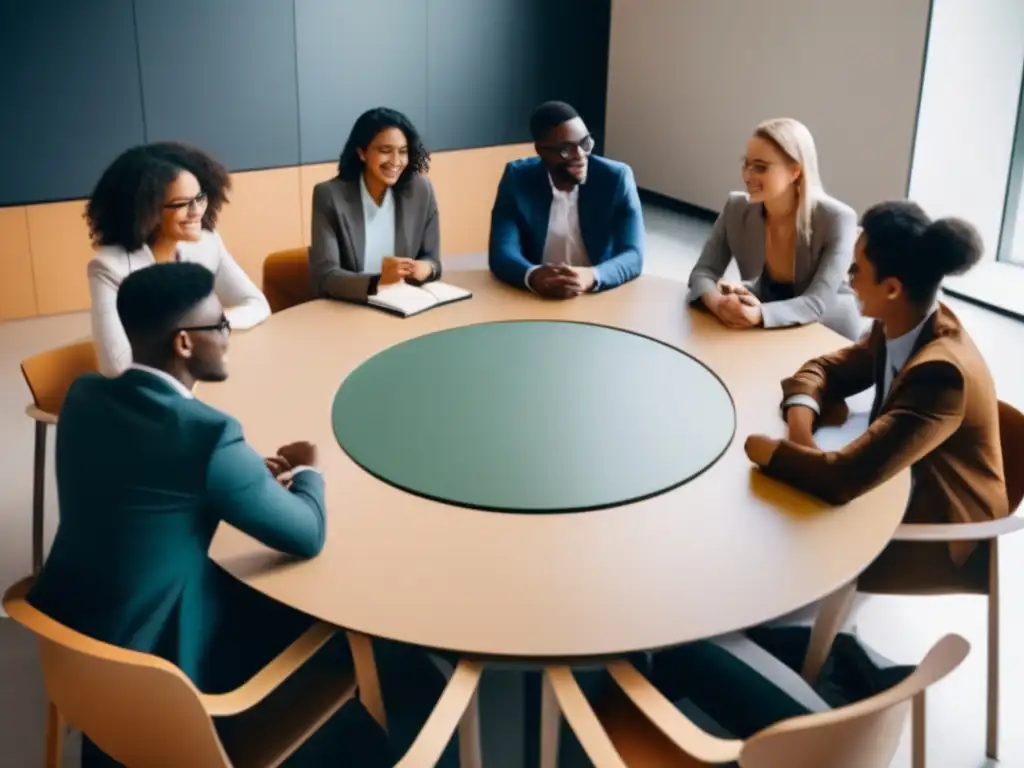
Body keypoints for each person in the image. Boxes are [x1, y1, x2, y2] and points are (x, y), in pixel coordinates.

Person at [29, 263, 452, 766]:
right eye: (220, 324)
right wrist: (308, 471)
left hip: (69, 647)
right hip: (158, 679)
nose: (228, 334)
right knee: (349, 623)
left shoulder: (83, 396)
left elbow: (145, 474)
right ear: (184, 343)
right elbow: (308, 534)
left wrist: (239, 474)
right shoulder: (208, 436)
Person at [744, 201, 1007, 588]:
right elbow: (823, 370)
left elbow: (841, 480)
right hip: (896, 471)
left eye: (856, 270)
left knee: (765, 525)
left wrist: (767, 450)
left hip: (943, 527)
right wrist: (800, 434)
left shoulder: (942, 375)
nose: (847, 279)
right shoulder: (905, 318)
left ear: (892, 288)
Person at [86, 142, 270, 378]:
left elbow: (256, 304)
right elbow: (116, 366)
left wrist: (207, 329)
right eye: (182, 204)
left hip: (195, 375)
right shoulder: (110, 268)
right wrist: (195, 336)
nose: (197, 211)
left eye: (200, 198)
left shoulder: (206, 243)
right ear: (145, 211)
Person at [686, 118, 863, 340]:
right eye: (746, 164)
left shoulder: (838, 218)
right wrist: (718, 304)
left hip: (825, 330)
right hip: (765, 314)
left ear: (795, 171)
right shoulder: (736, 207)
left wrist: (759, 314)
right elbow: (703, 272)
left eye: (760, 167)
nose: (747, 176)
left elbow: (816, 302)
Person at [488, 101, 644, 297]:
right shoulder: (517, 178)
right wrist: (533, 275)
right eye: (566, 149)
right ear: (541, 150)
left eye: (585, 143)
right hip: (537, 296)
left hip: (598, 294)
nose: (580, 155)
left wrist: (592, 276)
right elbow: (502, 252)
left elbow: (633, 255)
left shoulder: (616, 178)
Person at [308, 107, 440, 303]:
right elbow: (325, 276)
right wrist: (378, 281)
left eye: (403, 152)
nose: (396, 161)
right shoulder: (329, 196)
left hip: (404, 304)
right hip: (348, 308)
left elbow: (433, 260)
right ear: (362, 152)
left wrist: (426, 268)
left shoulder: (420, 191)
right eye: (385, 151)